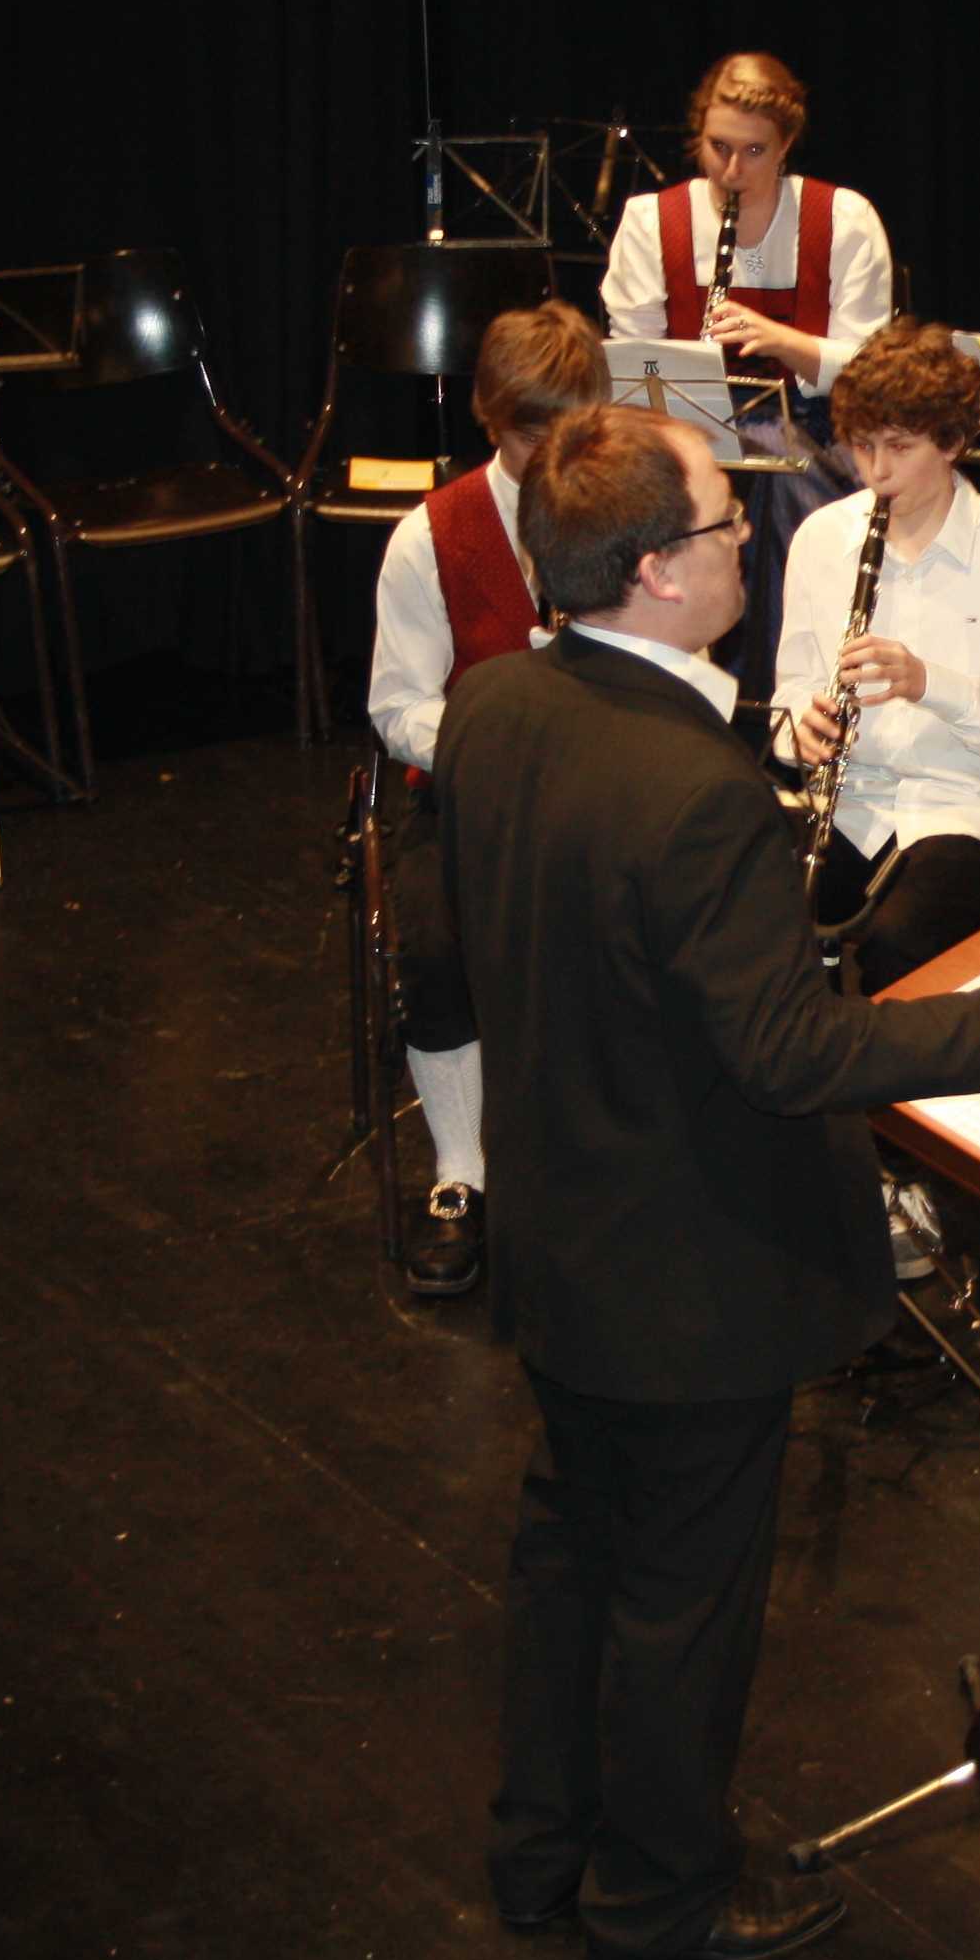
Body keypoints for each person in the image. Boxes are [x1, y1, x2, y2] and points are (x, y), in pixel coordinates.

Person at [424, 401, 980, 1960]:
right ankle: (657, 1902)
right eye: (725, 524)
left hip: (560, 1235)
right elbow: (787, 1052)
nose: (746, 545)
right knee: (681, 1604)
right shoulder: (689, 784)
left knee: (571, 1556)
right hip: (687, 1271)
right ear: (655, 573)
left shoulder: (493, 705)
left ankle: (539, 1852)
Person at [362, 299, 607, 1295]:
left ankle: (610, 1151)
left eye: (568, 428)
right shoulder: (430, 537)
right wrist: (496, 744)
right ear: (490, 417)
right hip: (470, 792)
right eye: (527, 434)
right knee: (434, 942)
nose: (549, 454)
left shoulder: (630, 508)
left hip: (601, 790)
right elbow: (396, 706)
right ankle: (462, 1171)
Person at [772, 321, 980, 997]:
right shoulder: (822, 538)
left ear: (952, 443)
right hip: (848, 801)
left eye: (900, 447)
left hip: (972, 806)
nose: (877, 471)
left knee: (903, 945)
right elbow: (790, 690)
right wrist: (801, 730)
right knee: (746, 919)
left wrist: (928, 683)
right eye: (862, 446)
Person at [600, 51, 899, 699]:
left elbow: (873, 368)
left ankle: (777, 697)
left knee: (776, 469)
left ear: (787, 145)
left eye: (755, 151)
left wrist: (784, 343)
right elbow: (633, 361)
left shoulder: (843, 219)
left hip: (821, 431)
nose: (732, 171)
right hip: (687, 431)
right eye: (719, 148)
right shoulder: (652, 221)